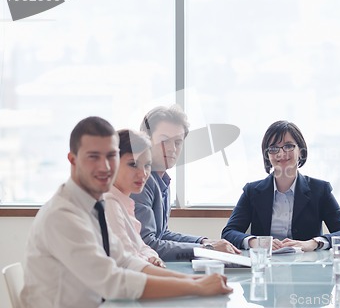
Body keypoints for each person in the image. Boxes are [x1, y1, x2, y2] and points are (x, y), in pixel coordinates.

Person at [21, 116, 232, 308]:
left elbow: (125, 260)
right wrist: (197, 287)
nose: (105, 167)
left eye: (111, 156)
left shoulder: (94, 206)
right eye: (93, 157)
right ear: (73, 160)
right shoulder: (63, 215)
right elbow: (113, 282)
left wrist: (196, 280)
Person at [222, 120, 340, 252]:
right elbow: (228, 233)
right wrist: (256, 242)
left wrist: (313, 243)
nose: (281, 153)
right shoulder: (251, 191)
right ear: (267, 155)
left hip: (306, 266)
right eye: (273, 148)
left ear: (301, 152)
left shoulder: (320, 190)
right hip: (264, 265)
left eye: (289, 146)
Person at [131, 105, 240, 261]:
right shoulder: (140, 181)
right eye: (164, 140)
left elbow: (162, 234)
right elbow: (148, 244)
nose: (171, 149)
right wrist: (206, 249)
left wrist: (203, 241)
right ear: (146, 140)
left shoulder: (162, 180)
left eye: (177, 142)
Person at [104, 129, 164, 267]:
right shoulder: (109, 203)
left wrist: (152, 257)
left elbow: (142, 247)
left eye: (147, 165)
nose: (143, 173)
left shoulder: (124, 203)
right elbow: (127, 259)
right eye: (133, 164)